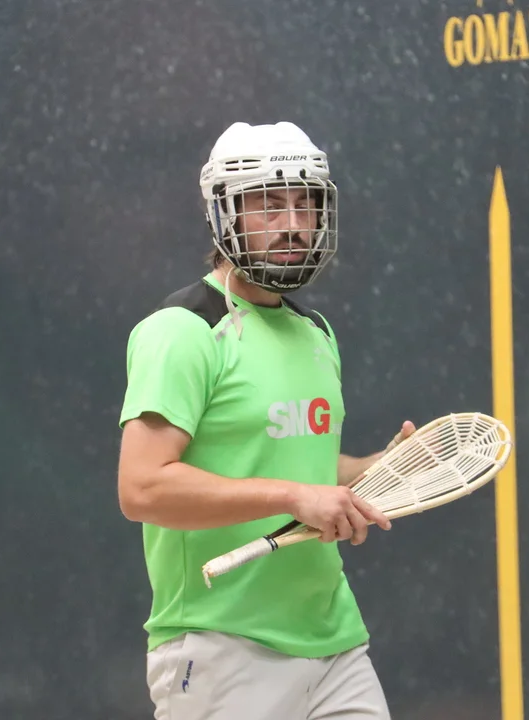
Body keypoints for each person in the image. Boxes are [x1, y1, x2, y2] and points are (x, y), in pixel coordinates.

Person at [117, 121, 416, 720]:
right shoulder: (182, 331)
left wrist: (378, 468)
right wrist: (292, 497)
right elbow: (142, 488)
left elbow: (300, 461)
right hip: (220, 646)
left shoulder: (316, 333)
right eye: (269, 205)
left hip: (334, 644)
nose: (293, 224)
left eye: (306, 205)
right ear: (222, 214)